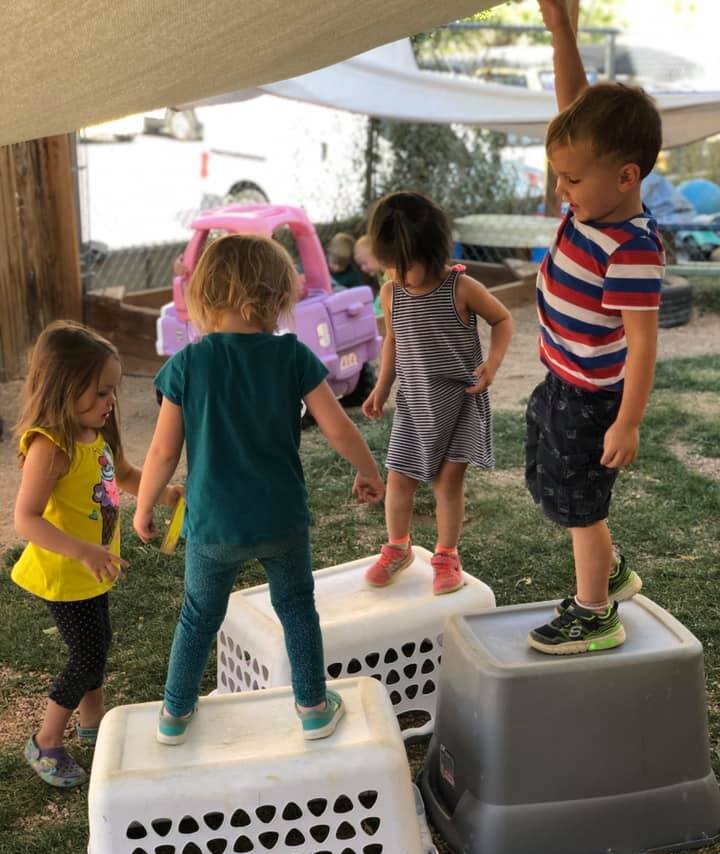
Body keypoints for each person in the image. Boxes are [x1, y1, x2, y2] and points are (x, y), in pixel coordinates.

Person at [134, 234, 384, 745]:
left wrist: (142, 508)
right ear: (276, 300)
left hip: (212, 526)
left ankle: (174, 716)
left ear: (205, 296)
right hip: (281, 520)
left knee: (200, 617)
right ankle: (313, 708)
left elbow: (162, 453)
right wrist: (369, 470)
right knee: (296, 608)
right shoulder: (291, 356)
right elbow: (339, 428)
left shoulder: (187, 365)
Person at [525, 0, 665, 655]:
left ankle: (594, 611)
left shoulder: (630, 250)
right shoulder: (596, 195)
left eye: (572, 177)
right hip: (562, 379)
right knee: (554, 488)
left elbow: (643, 344)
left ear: (626, 176)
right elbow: (572, 105)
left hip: (592, 398)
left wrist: (628, 420)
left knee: (583, 509)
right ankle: (610, 571)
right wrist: (562, 32)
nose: (563, 187)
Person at [12, 321, 182, 788]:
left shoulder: (96, 437)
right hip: (65, 571)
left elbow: (124, 475)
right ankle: (45, 741)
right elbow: (25, 518)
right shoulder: (51, 446)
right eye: (102, 392)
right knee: (87, 652)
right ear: (65, 388)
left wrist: (162, 492)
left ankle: (94, 723)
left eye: (113, 392)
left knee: (96, 642)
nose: (111, 403)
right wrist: (83, 551)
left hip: (92, 568)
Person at [361, 191, 513, 595]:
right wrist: (382, 386)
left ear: (433, 253)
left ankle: (446, 555)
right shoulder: (391, 294)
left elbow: (503, 319)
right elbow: (392, 341)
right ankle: (398, 547)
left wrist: (492, 365)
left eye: (405, 266)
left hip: (461, 400)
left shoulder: (461, 287)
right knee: (399, 479)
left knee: (447, 483)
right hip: (414, 404)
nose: (397, 275)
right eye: (391, 266)